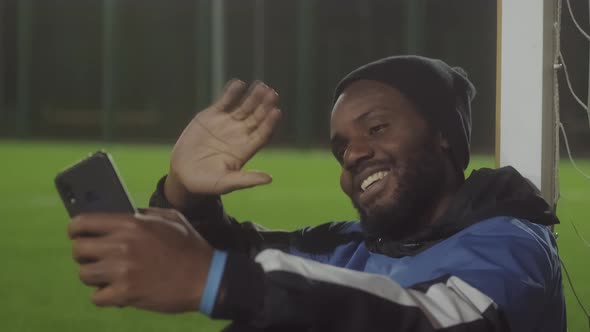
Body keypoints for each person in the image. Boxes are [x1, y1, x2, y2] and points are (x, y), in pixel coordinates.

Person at [68, 55, 565, 332]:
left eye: (376, 128)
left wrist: (219, 280)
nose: (352, 154)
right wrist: (185, 192)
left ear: (442, 134)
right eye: (341, 147)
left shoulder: (510, 242)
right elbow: (232, 255)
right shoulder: (351, 247)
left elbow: (435, 320)